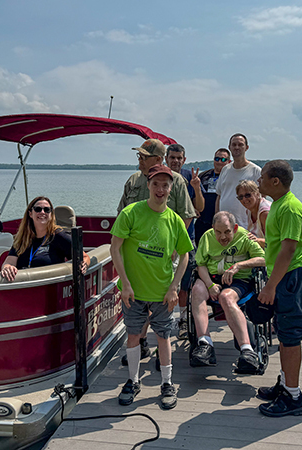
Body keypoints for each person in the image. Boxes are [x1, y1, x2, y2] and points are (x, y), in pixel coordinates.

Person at [111, 164, 193, 410]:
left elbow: (185, 255)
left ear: (171, 189)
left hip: (162, 292)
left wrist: (174, 287)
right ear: (148, 185)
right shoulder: (131, 213)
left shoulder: (175, 220)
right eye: (155, 184)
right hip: (133, 291)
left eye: (165, 185)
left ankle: (167, 384)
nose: (160, 189)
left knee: (164, 336)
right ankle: (133, 381)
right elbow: (115, 247)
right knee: (134, 335)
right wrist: (124, 283)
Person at [118, 139, 197, 363]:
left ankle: (162, 355)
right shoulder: (133, 180)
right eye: (139, 156)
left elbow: (187, 214)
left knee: (162, 302)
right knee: (137, 299)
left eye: (144, 156)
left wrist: (173, 245)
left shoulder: (177, 181)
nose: (140, 160)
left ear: (158, 159)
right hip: (136, 256)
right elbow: (122, 213)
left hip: (165, 254)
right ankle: (140, 343)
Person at [256, 160, 302, 417]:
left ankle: (293, 397)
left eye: (262, 178)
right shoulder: (279, 204)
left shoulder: (290, 208)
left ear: (275, 182)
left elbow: (290, 248)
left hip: (292, 277)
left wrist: (271, 286)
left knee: (291, 337)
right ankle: (285, 383)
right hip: (287, 275)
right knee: (284, 333)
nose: (258, 181)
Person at [189, 211, 265, 373]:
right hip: (212, 278)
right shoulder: (207, 238)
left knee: (226, 296)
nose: (223, 237)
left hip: (239, 280)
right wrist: (209, 285)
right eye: (218, 232)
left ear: (235, 228)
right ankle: (205, 343)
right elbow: (200, 265)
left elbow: (264, 259)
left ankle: (247, 350)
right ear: (213, 229)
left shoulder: (245, 237)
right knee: (197, 289)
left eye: (227, 232)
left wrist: (238, 266)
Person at [165, 143, 205, 340]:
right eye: (172, 157)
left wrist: (197, 188)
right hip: (162, 239)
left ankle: (182, 320)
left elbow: (200, 207)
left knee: (185, 283)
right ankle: (164, 320)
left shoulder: (189, 177)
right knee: (164, 281)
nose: (175, 161)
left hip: (186, 238)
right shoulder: (160, 177)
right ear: (166, 158)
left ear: (184, 159)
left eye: (179, 158)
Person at [0, 196, 90, 281]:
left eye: (47, 210)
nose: (42, 212)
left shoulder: (59, 236)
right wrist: (7, 267)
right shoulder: (22, 238)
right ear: (30, 213)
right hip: (24, 287)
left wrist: (84, 264)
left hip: (48, 287)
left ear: (51, 215)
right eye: (38, 209)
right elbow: (10, 261)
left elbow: (84, 257)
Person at [215, 134, 262, 228]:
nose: (237, 147)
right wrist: (216, 219)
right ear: (230, 147)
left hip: (246, 227)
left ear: (246, 147)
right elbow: (219, 196)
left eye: (240, 145)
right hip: (225, 226)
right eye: (234, 145)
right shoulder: (225, 170)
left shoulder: (256, 171)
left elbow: (262, 199)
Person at [195, 148, 232, 245]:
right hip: (202, 220)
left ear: (229, 162)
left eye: (223, 159)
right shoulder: (203, 175)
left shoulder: (230, 178)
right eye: (217, 158)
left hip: (221, 222)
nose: (219, 162)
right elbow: (194, 193)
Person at [236, 180, 272, 248]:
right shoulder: (249, 210)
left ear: (257, 194)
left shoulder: (265, 213)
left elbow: (273, 242)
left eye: (247, 195)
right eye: (240, 197)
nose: (244, 199)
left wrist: (257, 240)